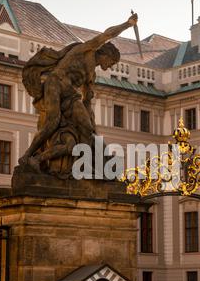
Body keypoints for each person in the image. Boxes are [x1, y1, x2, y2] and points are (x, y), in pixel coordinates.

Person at [19, 13, 138, 173]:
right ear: (105, 54)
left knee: (87, 128)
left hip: (70, 95)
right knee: (52, 123)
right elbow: (107, 34)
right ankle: (27, 156)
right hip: (55, 84)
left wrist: (93, 131)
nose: (110, 67)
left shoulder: (91, 76)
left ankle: (83, 166)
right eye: (111, 62)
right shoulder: (86, 50)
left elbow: (87, 103)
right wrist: (128, 24)